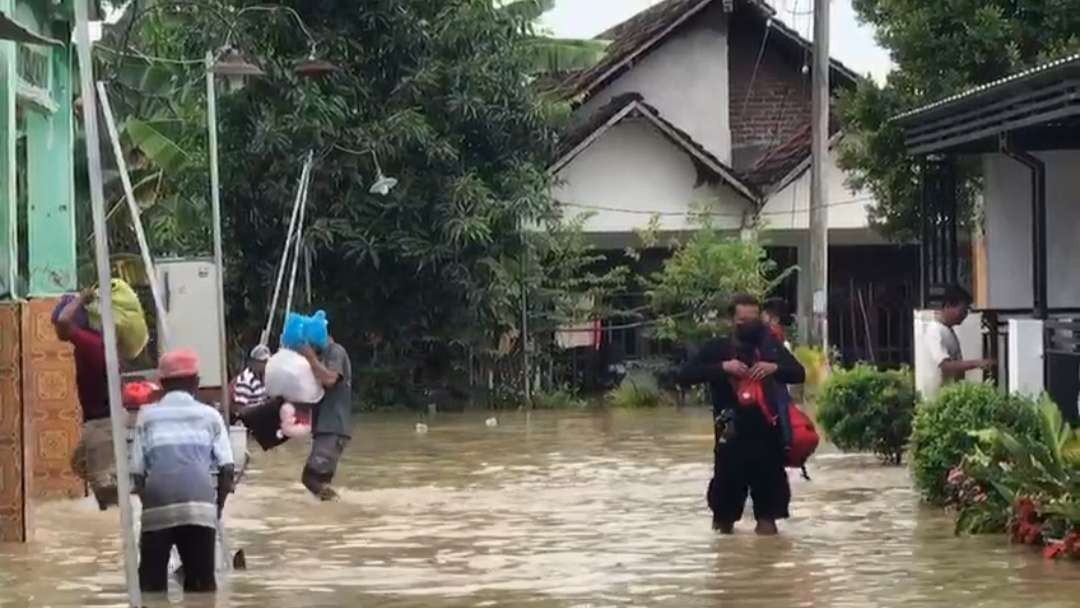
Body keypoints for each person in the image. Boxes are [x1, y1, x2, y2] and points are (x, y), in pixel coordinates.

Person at [668, 294, 805, 535]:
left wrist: (774, 368)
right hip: (730, 439)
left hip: (768, 440)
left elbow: (798, 373)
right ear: (731, 320)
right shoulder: (717, 348)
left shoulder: (770, 348)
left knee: (768, 516)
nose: (749, 326)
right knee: (723, 516)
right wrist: (722, 368)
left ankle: (767, 566)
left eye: (754, 320)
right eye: (743, 320)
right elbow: (684, 375)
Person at [130, 349, 235, 593]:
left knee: (151, 588)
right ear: (196, 382)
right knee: (202, 588)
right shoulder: (210, 416)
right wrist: (216, 510)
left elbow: (137, 473)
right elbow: (227, 469)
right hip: (200, 506)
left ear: (161, 384)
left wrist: (149, 508)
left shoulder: (147, 417)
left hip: (158, 504)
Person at [52, 288, 116, 510]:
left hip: (102, 424)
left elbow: (62, 323)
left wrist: (81, 299)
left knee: (104, 488)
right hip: (100, 422)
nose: (57, 334)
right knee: (79, 463)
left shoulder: (90, 343)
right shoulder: (92, 342)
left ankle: (111, 537)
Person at [298, 336, 352, 501]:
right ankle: (330, 516)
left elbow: (330, 379)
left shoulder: (335, 351)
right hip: (326, 429)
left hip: (332, 428)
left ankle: (338, 505)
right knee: (320, 482)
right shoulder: (321, 357)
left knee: (310, 478)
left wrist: (310, 358)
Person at [918, 285, 994, 400]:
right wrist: (978, 363)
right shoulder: (935, 331)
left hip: (947, 397)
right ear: (948, 306)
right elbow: (945, 366)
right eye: (962, 310)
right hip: (936, 399)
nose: (965, 314)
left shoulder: (947, 330)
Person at [232, 344, 271, 412]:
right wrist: (262, 407)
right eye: (262, 362)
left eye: (267, 361)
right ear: (254, 362)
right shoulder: (245, 380)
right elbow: (241, 410)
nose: (265, 364)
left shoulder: (267, 377)